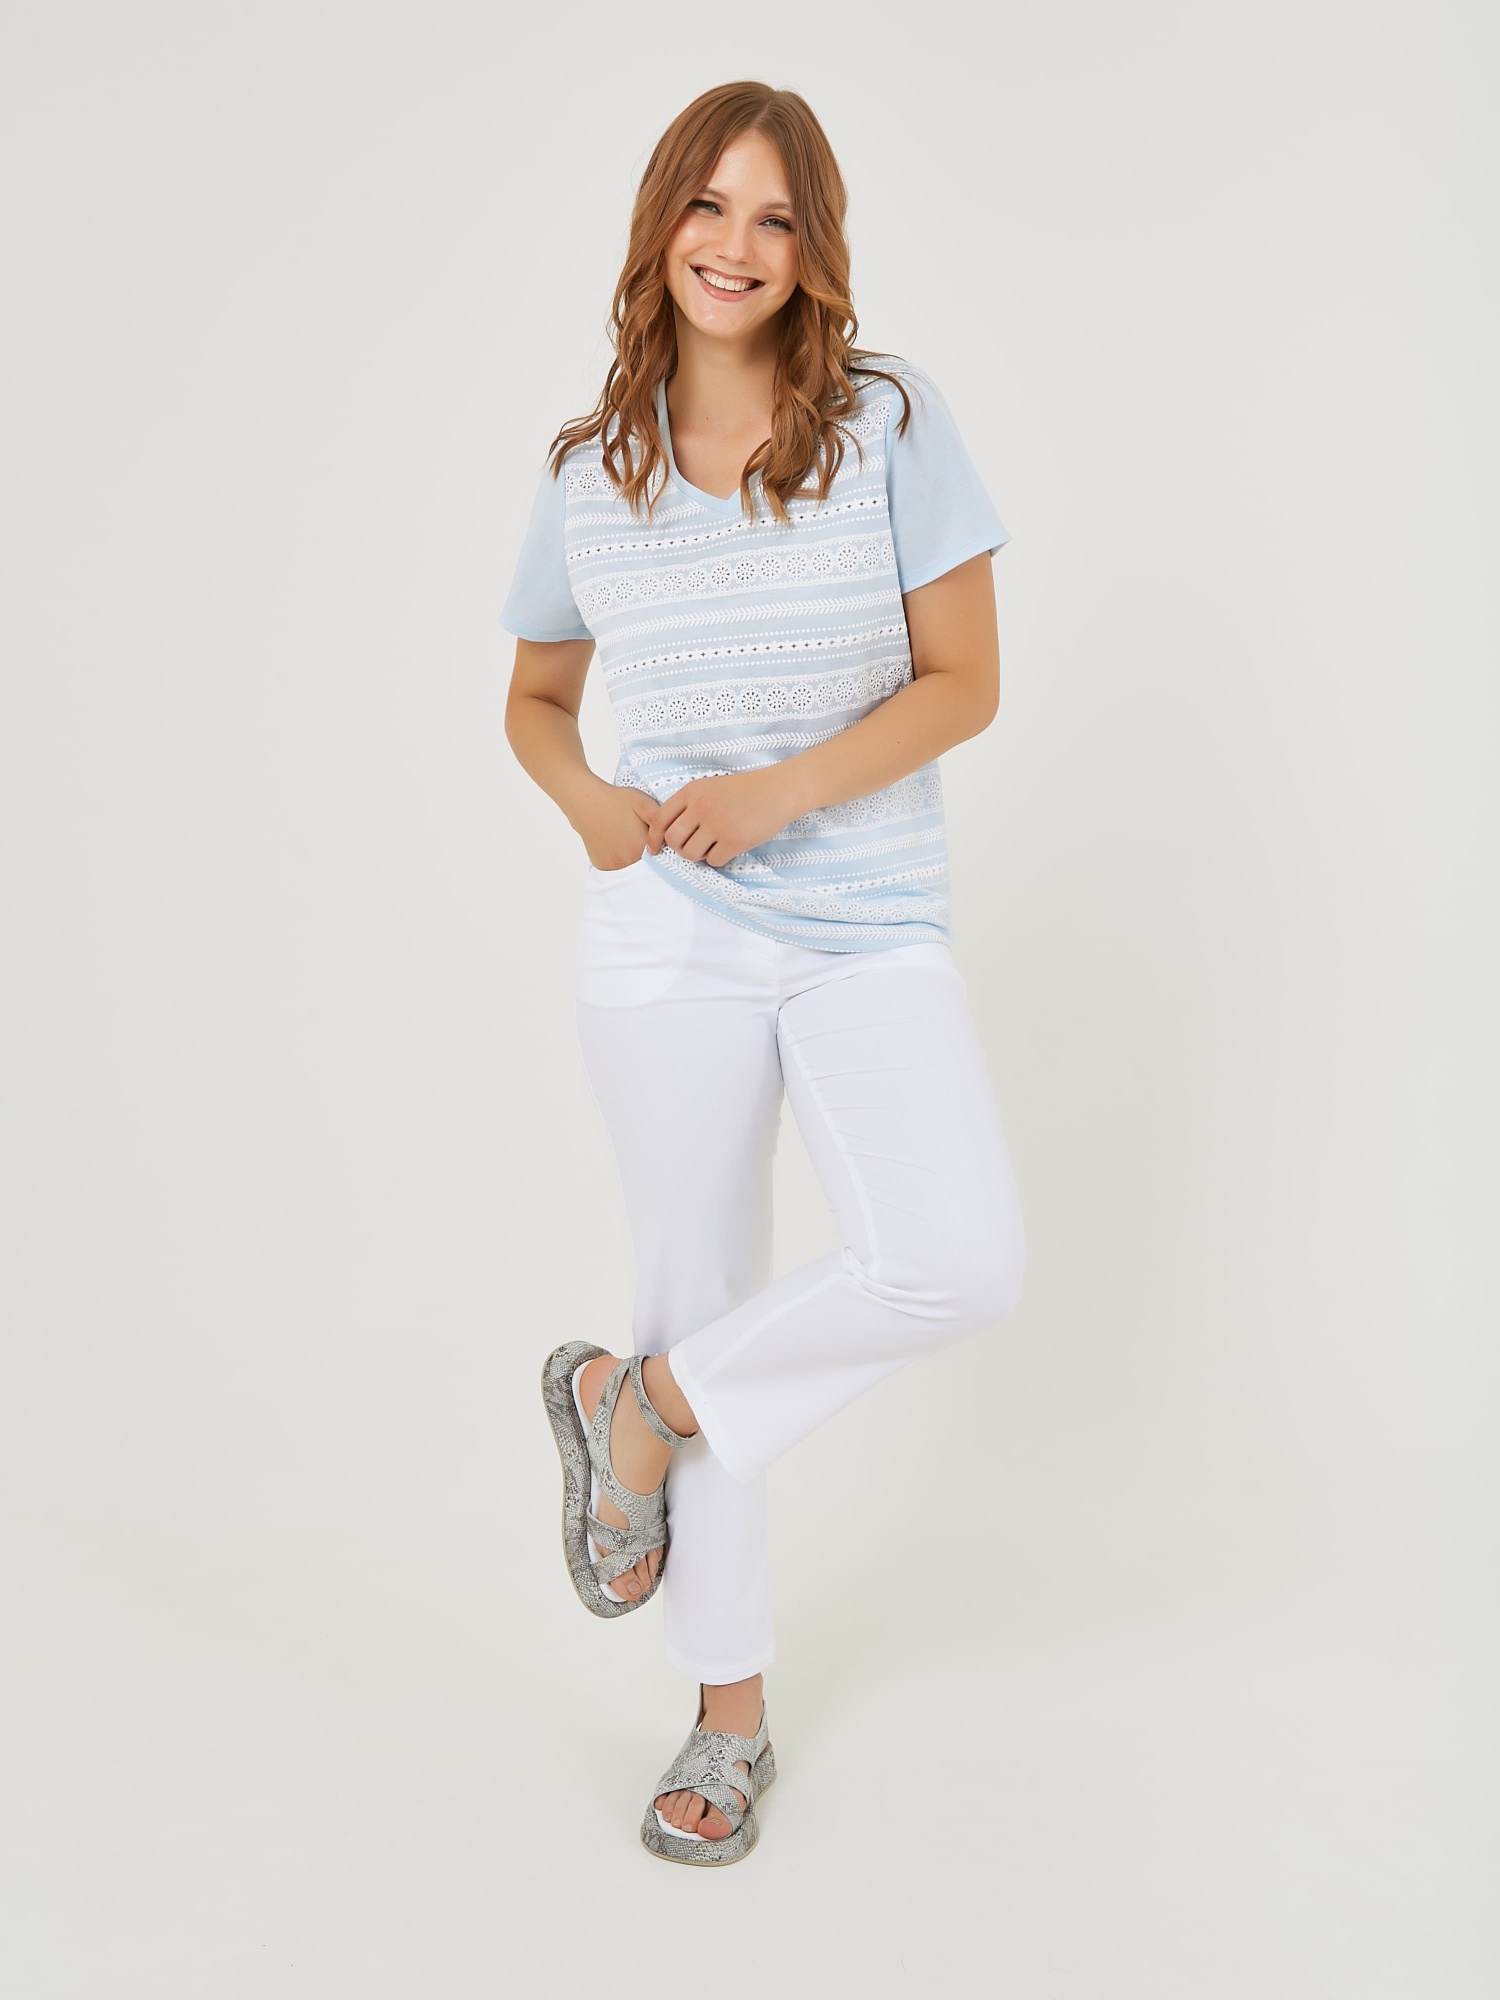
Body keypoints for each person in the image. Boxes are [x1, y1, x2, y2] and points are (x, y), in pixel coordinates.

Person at [501, 79, 1026, 1866]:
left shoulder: (888, 421)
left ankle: (633, 1407)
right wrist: (589, 804)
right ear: (663, 224)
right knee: (700, 1284)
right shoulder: (590, 472)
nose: (737, 245)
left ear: (815, 250)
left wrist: (779, 792)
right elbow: (536, 699)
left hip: (867, 922)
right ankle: (726, 1723)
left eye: (777, 217)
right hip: (668, 939)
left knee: (953, 1255)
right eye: (709, 207)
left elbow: (966, 681)